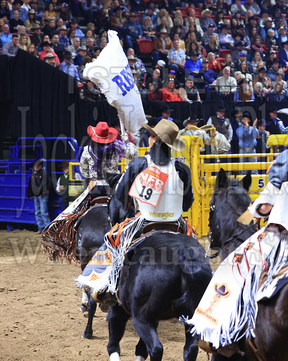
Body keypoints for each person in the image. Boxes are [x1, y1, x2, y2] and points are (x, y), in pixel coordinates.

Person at [189, 99, 288, 354]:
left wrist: (250, 215)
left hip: (285, 241)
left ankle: (217, 334)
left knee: (233, 266)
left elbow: (265, 204)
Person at [79, 119, 195, 305]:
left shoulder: (139, 164)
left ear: (154, 139)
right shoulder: (182, 168)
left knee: (113, 241)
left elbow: (119, 195)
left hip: (144, 221)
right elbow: (188, 203)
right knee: (195, 245)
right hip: (175, 223)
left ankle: (108, 287)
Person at [79, 122, 138, 200]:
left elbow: (84, 171)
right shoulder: (117, 146)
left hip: (94, 188)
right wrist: (127, 141)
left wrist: (90, 177)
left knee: (79, 208)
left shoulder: (87, 149)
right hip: (113, 187)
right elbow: (134, 154)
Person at [27, 159, 52, 233]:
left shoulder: (44, 174)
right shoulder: (34, 175)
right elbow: (31, 185)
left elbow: (49, 184)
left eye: (38, 165)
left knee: (43, 211)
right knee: (38, 212)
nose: (36, 167)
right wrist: (31, 194)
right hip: (37, 195)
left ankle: (46, 228)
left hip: (42, 195)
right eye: (35, 165)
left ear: (41, 166)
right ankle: (41, 228)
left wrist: (45, 191)